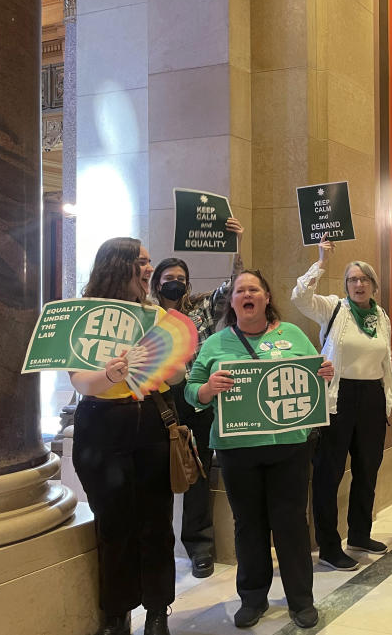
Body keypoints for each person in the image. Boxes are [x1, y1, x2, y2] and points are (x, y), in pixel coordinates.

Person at [185, 270, 333, 630]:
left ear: (267, 297)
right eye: (240, 291)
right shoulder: (215, 343)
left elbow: (314, 370)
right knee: (248, 526)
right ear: (232, 301)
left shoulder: (293, 334)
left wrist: (323, 371)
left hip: (290, 448)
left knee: (291, 526)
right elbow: (191, 392)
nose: (247, 294)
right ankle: (252, 598)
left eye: (254, 289)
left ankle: (301, 601)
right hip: (237, 451)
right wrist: (206, 390)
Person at [70, 238, 184, 635]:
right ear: (118, 266)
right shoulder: (83, 315)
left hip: (151, 421)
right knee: (113, 524)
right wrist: (110, 375)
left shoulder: (157, 316)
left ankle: (157, 611)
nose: (149, 269)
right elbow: (81, 381)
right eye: (142, 261)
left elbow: (176, 376)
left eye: (150, 261)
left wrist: (171, 362)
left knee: (156, 523)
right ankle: (117, 613)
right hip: (100, 426)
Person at [291, 233, 392, 571]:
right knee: (329, 473)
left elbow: (385, 360)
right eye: (352, 279)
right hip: (338, 399)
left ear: (374, 285)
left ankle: (360, 534)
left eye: (364, 279)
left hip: (371, 398)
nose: (358, 284)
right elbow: (300, 297)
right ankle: (329, 546)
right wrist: (321, 261)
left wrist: (387, 399)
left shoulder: (381, 316)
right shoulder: (333, 307)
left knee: (368, 470)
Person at [149, 219, 244, 579]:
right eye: (168, 276)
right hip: (157, 397)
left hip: (194, 396)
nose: (175, 282)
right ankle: (158, 543)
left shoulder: (202, 307)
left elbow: (234, 286)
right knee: (157, 471)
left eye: (181, 277)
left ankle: (199, 544)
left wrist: (237, 244)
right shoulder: (146, 313)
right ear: (157, 281)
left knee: (198, 471)